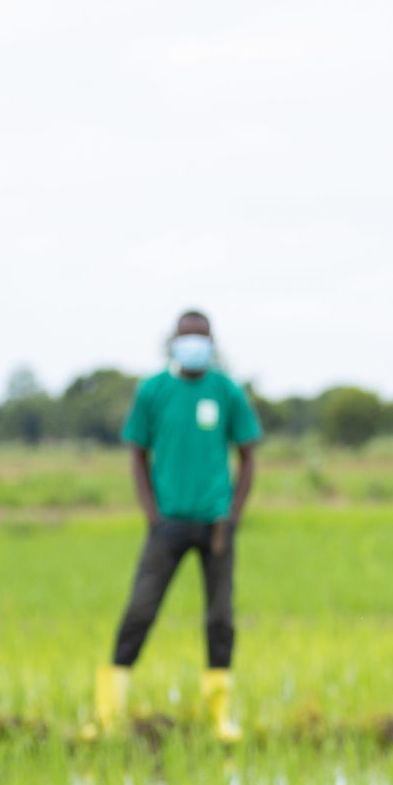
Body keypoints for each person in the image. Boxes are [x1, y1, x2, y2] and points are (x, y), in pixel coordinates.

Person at [89, 310, 262, 742]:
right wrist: (152, 514)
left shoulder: (226, 391)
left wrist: (234, 515)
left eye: (202, 337)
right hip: (167, 523)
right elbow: (136, 454)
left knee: (220, 617)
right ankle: (107, 715)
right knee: (140, 611)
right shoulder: (153, 392)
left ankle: (219, 718)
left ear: (212, 343)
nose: (194, 344)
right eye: (187, 337)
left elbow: (249, 455)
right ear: (174, 343)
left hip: (217, 525)